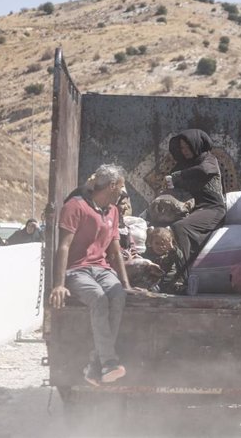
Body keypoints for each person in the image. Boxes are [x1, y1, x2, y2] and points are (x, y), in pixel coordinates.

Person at [49, 164, 145, 386]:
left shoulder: (113, 211)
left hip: (102, 269)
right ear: (112, 186)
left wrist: (126, 284)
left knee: (118, 296)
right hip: (77, 270)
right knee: (98, 298)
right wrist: (58, 284)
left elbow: (114, 250)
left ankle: (95, 364)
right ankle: (109, 362)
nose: (122, 193)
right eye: (121, 187)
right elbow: (63, 246)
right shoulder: (75, 206)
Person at [167, 129, 226, 273]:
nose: (185, 151)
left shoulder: (209, 160)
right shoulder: (182, 165)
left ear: (196, 145)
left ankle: (182, 276)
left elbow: (203, 171)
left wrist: (178, 175)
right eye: (182, 148)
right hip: (190, 210)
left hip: (212, 210)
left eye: (188, 147)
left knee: (180, 227)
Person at [143, 226, 187, 295]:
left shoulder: (170, 253)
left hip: (169, 280)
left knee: (177, 287)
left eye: (163, 244)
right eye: (157, 243)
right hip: (153, 281)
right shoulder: (148, 254)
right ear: (151, 243)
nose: (160, 247)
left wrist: (172, 248)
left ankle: (178, 288)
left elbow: (180, 257)